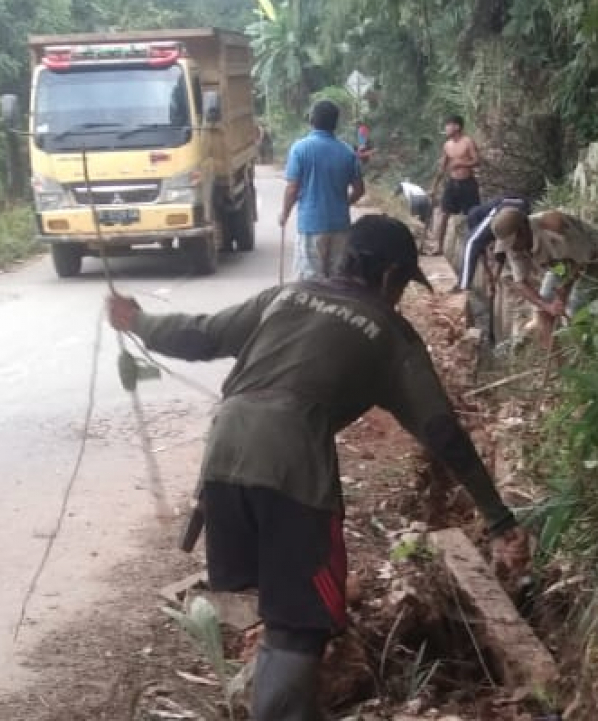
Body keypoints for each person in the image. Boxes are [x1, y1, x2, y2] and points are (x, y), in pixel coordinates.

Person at [106, 215, 530, 721]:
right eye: (401, 284)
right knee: (299, 624)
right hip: (293, 468)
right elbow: (442, 434)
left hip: (223, 454)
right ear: (391, 275)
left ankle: (280, 697)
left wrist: (140, 322)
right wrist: (500, 520)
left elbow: (202, 336)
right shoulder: (389, 334)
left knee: (275, 601)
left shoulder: (286, 296)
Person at [490, 207, 598, 348]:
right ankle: (558, 362)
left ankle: (588, 352)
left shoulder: (553, 225)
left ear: (523, 229)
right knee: (541, 312)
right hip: (559, 265)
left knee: (575, 310)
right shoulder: (514, 246)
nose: (511, 248)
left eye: (513, 242)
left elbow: (583, 258)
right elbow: (521, 283)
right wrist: (547, 306)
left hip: (590, 257)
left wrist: (564, 290)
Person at [280, 100, 365, 280]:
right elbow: (359, 190)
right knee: (337, 280)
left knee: (311, 281)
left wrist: (285, 213)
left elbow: (292, 188)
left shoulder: (299, 149)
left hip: (311, 226)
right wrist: (343, 203)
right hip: (340, 225)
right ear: (335, 123)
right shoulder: (347, 152)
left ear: (312, 120)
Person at [428, 115, 481, 255]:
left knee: (472, 216)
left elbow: (477, 160)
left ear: (457, 127)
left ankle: (475, 247)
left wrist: (462, 163)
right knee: (443, 214)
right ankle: (438, 246)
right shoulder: (447, 145)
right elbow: (442, 167)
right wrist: (434, 186)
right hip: (452, 183)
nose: (446, 128)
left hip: (467, 184)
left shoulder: (468, 142)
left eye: (448, 125)